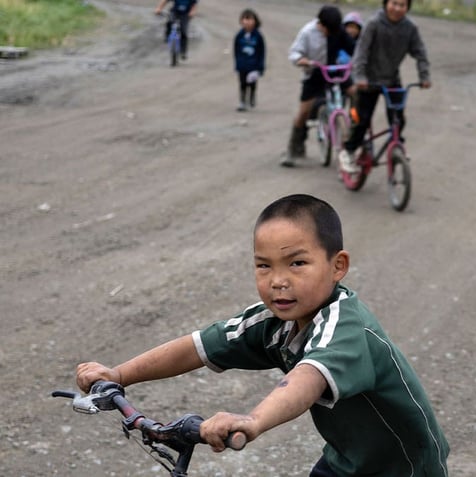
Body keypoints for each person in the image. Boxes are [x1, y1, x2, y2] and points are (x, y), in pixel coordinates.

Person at [75, 194, 450, 477]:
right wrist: (118, 375)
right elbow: (199, 346)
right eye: (263, 266)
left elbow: (308, 378)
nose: (278, 281)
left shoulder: (345, 324)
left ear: (338, 266)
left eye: (297, 263)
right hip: (345, 462)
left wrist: (253, 421)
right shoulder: (273, 321)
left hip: (404, 468)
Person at [338, 0, 431, 174]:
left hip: (391, 80)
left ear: (407, 7)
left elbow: (420, 52)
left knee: (398, 119)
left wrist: (424, 76)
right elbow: (361, 53)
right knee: (362, 121)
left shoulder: (410, 28)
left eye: (402, 5)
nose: (397, 8)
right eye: (394, 3)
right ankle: (348, 151)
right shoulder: (374, 24)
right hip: (368, 81)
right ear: (386, 4)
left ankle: (397, 146)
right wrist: (359, 77)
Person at [281, 6, 356, 167]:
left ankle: (356, 127)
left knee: (356, 93)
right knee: (304, 112)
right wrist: (302, 60)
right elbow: (294, 52)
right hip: (315, 73)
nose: (331, 34)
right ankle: (293, 149)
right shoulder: (308, 32)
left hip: (334, 70)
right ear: (321, 25)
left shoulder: (338, 31)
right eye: (328, 31)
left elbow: (354, 49)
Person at [233, 9, 266, 112]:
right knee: (242, 83)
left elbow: (262, 52)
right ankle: (242, 101)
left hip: (253, 65)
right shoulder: (239, 35)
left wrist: (260, 67)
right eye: (245, 19)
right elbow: (236, 50)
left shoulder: (258, 36)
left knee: (252, 83)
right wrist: (237, 63)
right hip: (243, 65)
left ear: (255, 21)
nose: (247, 22)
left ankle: (251, 97)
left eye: (249, 19)